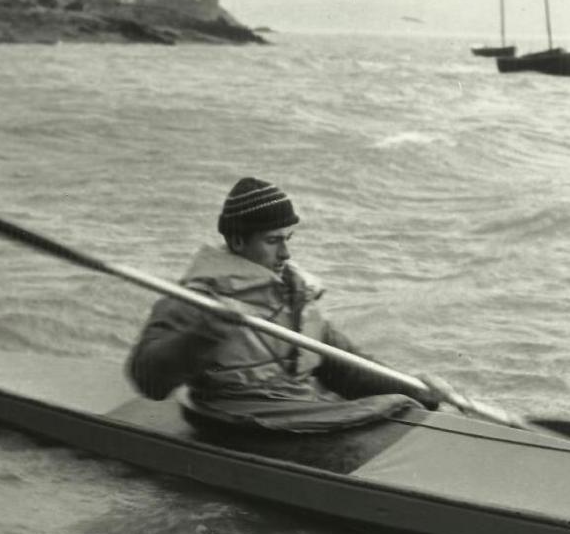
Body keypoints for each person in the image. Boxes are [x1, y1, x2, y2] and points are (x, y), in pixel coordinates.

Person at [126, 177, 443, 432]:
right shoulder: (198, 298)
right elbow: (148, 380)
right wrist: (205, 331)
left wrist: (413, 387)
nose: (285, 254)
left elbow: (344, 368)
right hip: (238, 425)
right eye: (272, 241)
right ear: (237, 241)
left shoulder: (293, 293)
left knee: (402, 401)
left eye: (287, 239)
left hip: (298, 414)